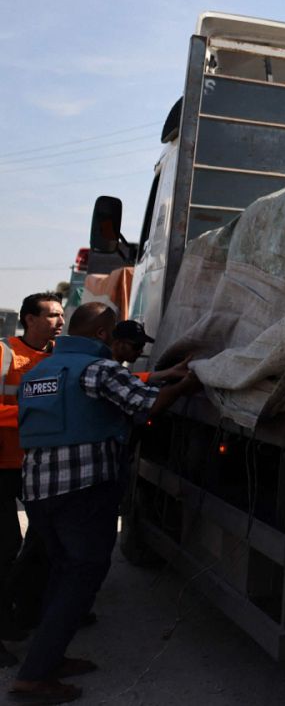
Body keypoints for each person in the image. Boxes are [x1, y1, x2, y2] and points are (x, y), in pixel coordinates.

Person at [11, 303, 198, 704]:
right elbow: (148, 405)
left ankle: (50, 657)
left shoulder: (38, 373)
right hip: (83, 491)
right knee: (83, 575)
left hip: (39, 494)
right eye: (112, 332)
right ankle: (35, 675)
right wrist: (185, 385)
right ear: (101, 335)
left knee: (61, 574)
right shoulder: (100, 369)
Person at [0, 294, 65, 651]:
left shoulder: (58, 357)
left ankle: (27, 607)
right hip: (3, 466)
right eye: (53, 314)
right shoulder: (5, 353)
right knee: (7, 544)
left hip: (36, 467)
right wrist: (28, 416)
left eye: (62, 314)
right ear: (29, 319)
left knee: (47, 539)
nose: (60, 320)